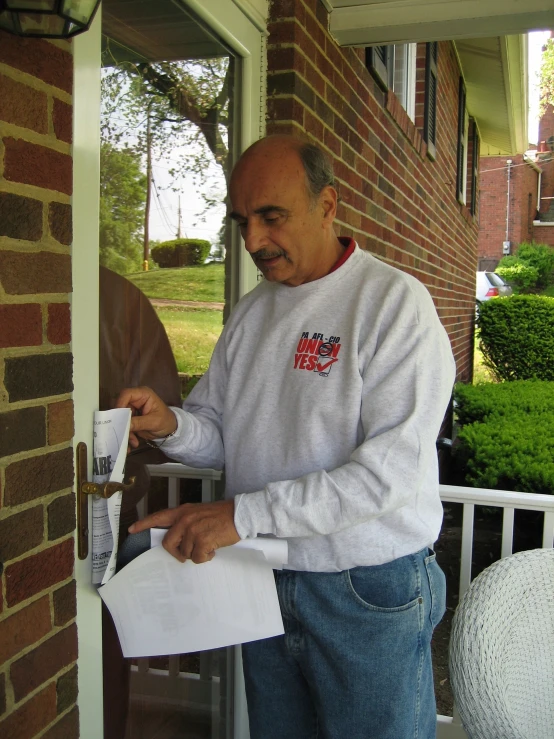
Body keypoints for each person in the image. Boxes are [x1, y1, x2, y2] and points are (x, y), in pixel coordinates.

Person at [116, 134, 456, 739]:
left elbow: (389, 473)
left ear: (327, 205)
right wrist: (171, 424)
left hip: (365, 588)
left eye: (272, 217)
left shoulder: (392, 304)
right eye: (242, 222)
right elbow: (225, 432)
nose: (253, 242)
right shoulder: (253, 312)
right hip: (263, 572)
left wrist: (241, 516)